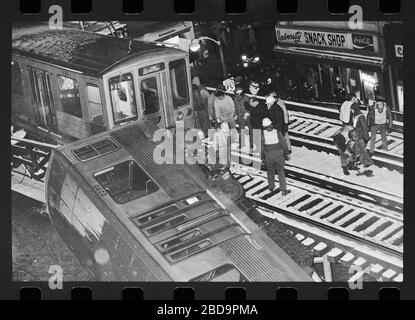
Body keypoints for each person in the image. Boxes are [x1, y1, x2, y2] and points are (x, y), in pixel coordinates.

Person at [261, 118, 291, 195]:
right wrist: (286, 154)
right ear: (271, 124)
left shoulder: (262, 134)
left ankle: (271, 186)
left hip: (269, 156)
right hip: (279, 156)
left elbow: (261, 148)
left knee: (270, 171)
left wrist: (262, 158)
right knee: (281, 172)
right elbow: (283, 143)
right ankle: (283, 189)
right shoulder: (277, 132)